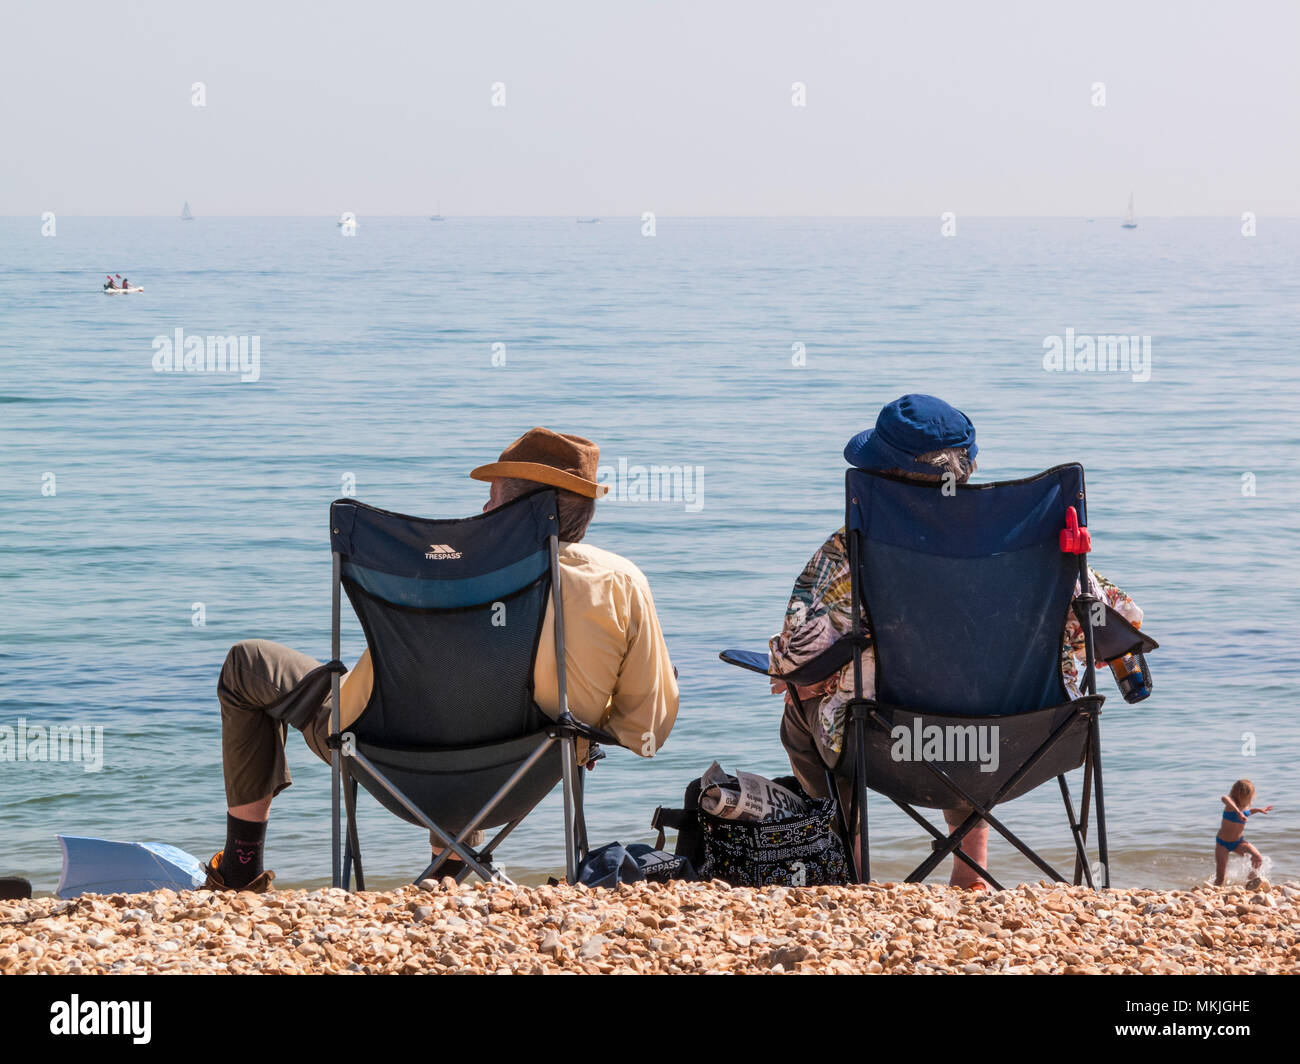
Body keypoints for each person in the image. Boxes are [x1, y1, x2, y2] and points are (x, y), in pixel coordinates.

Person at [206, 427, 679, 890]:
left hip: (380, 759)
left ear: (518, 511)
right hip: (530, 769)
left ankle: (241, 869)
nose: (483, 508)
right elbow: (647, 727)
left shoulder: (445, 571)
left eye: (492, 498)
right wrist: (581, 732)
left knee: (248, 664)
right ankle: (447, 873)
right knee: (474, 707)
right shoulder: (621, 582)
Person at [770, 394, 1144, 890]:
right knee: (975, 690)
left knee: (804, 703)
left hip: (891, 745)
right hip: (1025, 743)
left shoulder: (853, 548)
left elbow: (800, 655)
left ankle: (850, 867)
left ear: (881, 473)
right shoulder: (1032, 543)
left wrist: (792, 673)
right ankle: (971, 870)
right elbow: (1114, 623)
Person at [1214, 779, 1271, 885]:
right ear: (1240, 794)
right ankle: (1212, 892)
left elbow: (1248, 812)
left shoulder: (1244, 808)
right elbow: (1224, 798)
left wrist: (1258, 810)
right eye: (1249, 795)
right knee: (1220, 876)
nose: (1250, 798)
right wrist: (1238, 812)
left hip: (1238, 843)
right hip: (1223, 844)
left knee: (1257, 858)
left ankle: (1249, 882)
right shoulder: (1231, 806)